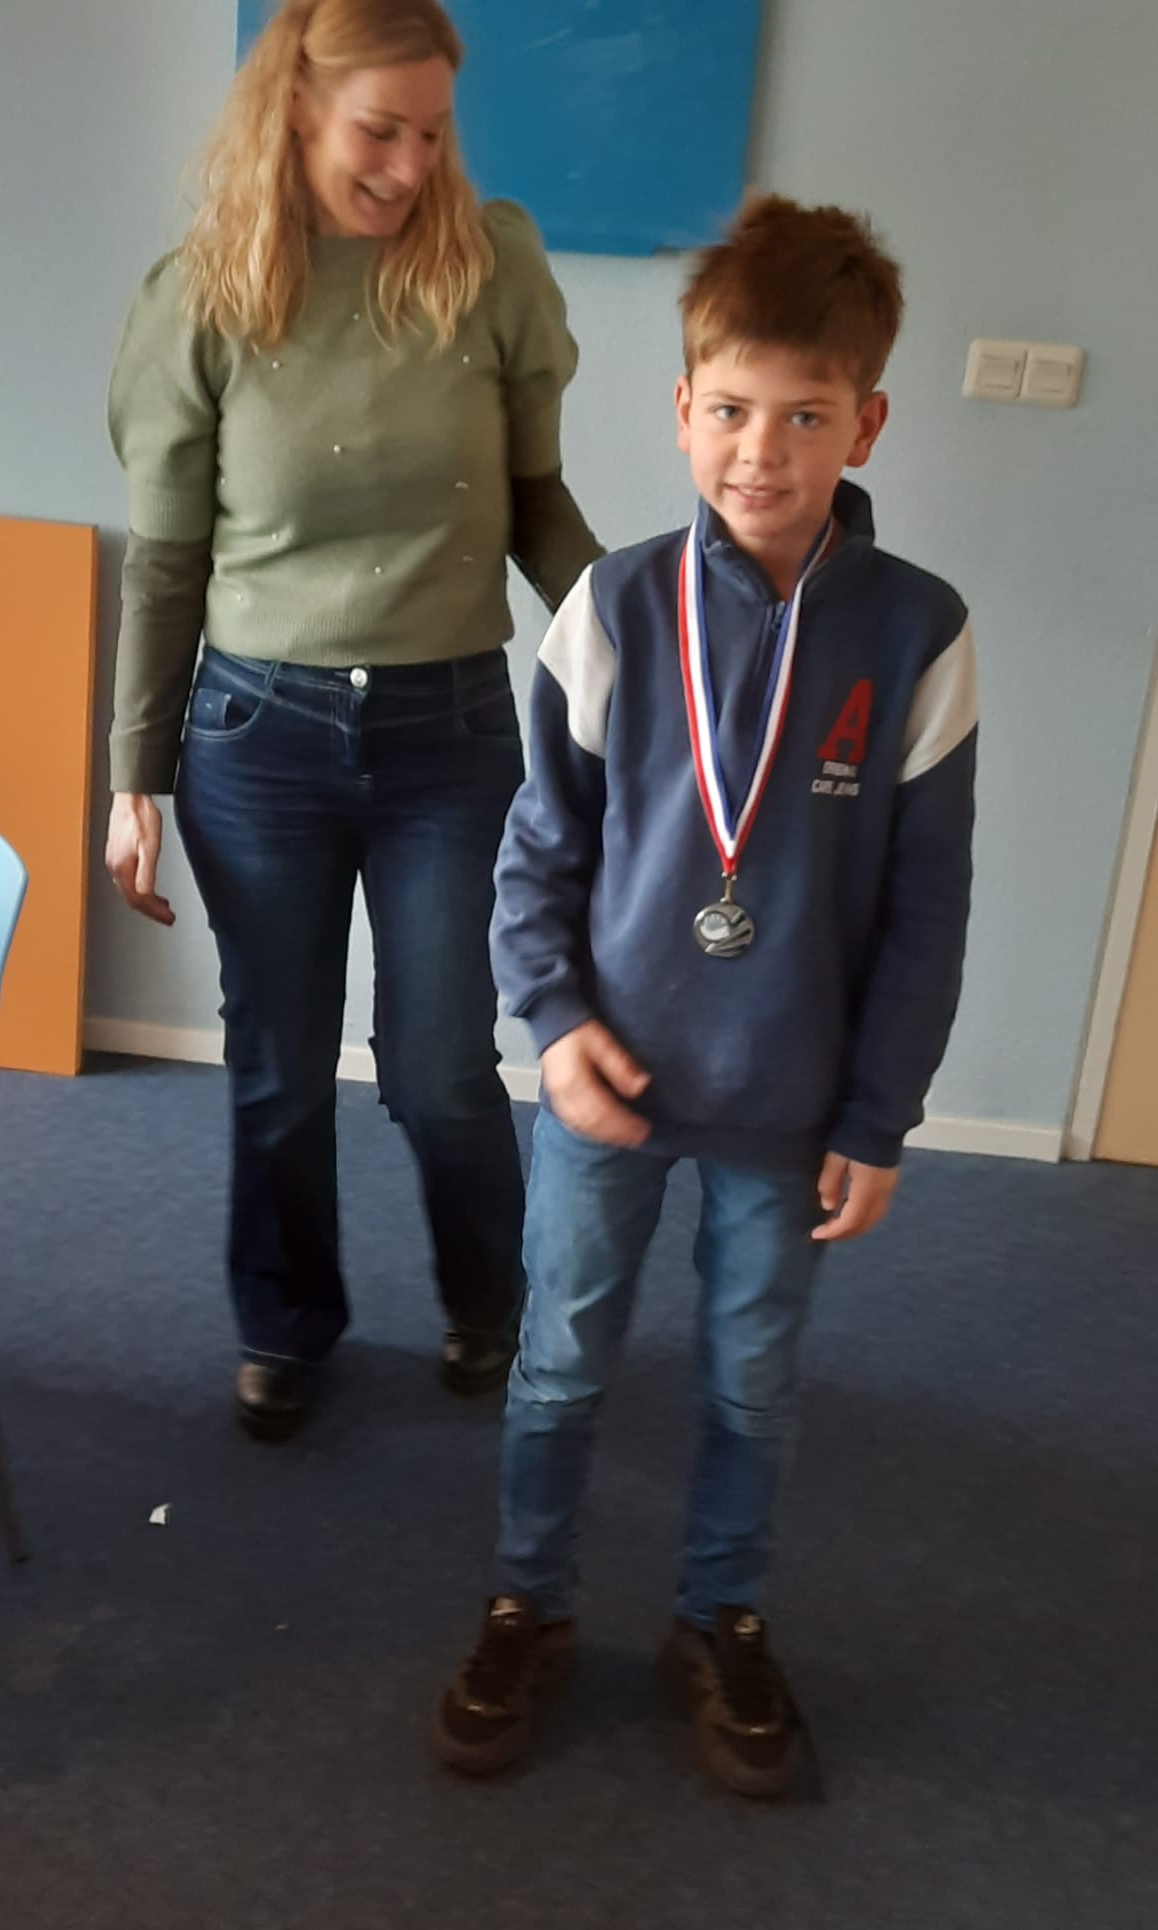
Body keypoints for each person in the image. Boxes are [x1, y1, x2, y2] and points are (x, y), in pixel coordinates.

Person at [432, 196, 978, 1795]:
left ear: (867, 423)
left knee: (751, 1380)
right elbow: (538, 852)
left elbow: (928, 910)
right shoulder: (611, 608)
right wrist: (552, 1022)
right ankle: (529, 1601)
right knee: (558, 1358)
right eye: (732, 409)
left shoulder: (920, 633)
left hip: (788, 1103)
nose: (763, 451)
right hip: (609, 1077)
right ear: (681, 411)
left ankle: (719, 1617)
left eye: (807, 415)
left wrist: (878, 1117)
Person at [106, 0, 602, 1440]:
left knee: (444, 1068)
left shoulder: (487, 266)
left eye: (432, 133)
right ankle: (285, 1322)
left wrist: (647, 652)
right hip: (258, 734)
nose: (409, 165)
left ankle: (491, 1302)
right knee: (275, 1071)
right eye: (380, 131)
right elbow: (168, 564)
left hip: (452, 730)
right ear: (297, 112)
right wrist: (133, 777)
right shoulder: (203, 298)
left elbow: (537, 505)